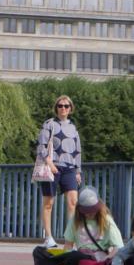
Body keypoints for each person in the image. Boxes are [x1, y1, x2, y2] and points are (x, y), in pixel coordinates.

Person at [35, 95, 82, 248]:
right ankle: (48, 237)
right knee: (48, 202)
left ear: (70, 109)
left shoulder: (73, 128)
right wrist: (49, 162)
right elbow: (41, 146)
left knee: (73, 202)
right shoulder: (49, 124)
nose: (63, 108)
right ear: (56, 108)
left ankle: (70, 239)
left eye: (66, 106)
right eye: (60, 106)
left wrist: (78, 171)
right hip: (52, 167)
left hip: (69, 168)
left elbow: (77, 151)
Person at [51, 185, 124, 265]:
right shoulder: (74, 220)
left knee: (77, 258)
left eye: (92, 210)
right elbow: (68, 245)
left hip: (98, 258)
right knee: (40, 252)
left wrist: (107, 258)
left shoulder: (107, 220)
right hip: (80, 255)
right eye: (86, 211)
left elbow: (118, 247)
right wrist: (63, 256)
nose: (89, 213)